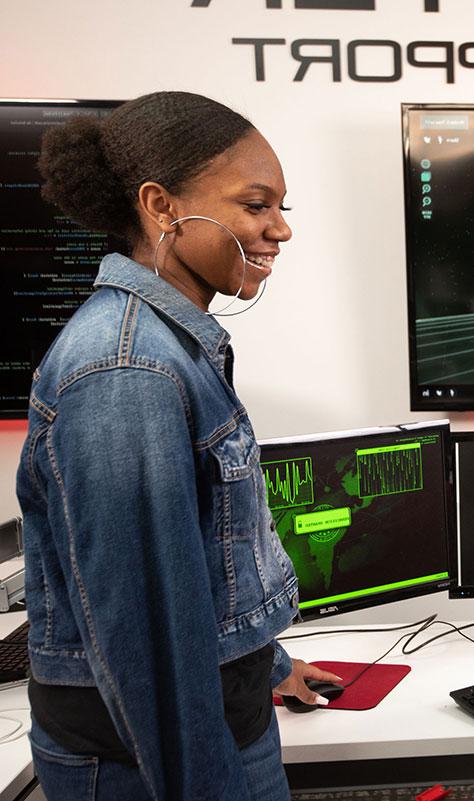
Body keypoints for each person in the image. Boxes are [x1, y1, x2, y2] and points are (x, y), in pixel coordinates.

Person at [16, 91, 338, 801]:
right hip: (151, 757)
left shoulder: (168, 347)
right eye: (257, 204)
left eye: (282, 207)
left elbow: (202, 564)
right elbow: (151, 646)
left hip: (225, 714)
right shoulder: (126, 369)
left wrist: (267, 659)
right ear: (161, 206)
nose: (279, 229)